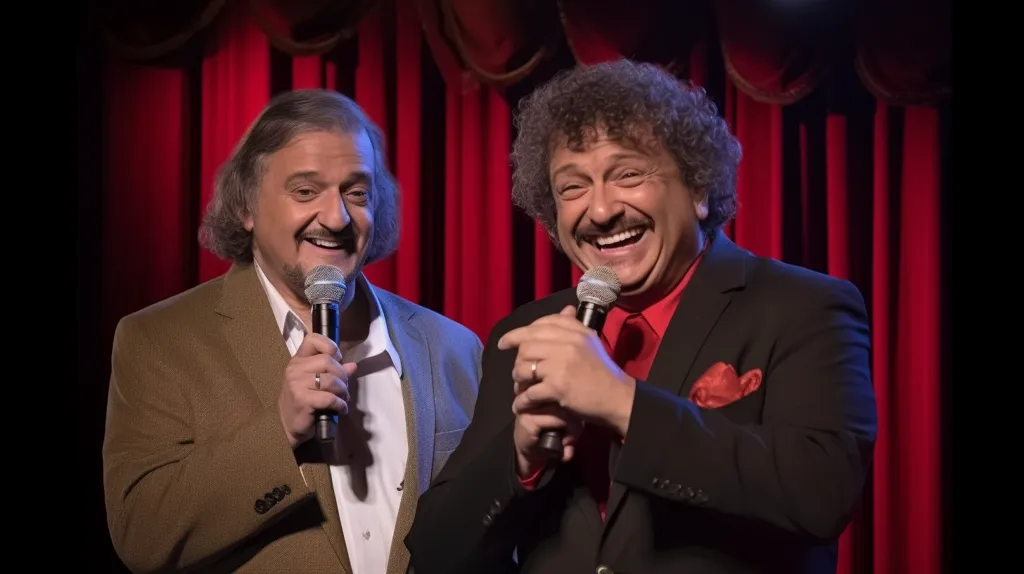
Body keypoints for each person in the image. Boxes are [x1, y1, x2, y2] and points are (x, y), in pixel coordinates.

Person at [405, 60, 878, 574]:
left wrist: (619, 401)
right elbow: (435, 554)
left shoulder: (804, 306)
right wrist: (519, 458)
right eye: (572, 188)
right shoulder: (535, 332)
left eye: (628, 175)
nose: (602, 210)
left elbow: (820, 495)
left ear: (697, 189)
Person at [102, 89, 482, 573]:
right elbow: (142, 535)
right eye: (305, 191)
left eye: (357, 192)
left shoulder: (453, 347)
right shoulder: (158, 341)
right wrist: (279, 431)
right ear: (247, 206)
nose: (337, 217)